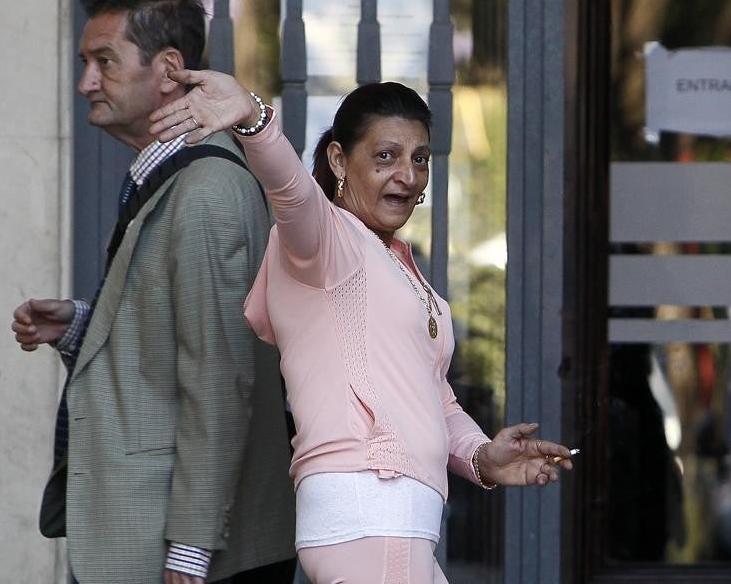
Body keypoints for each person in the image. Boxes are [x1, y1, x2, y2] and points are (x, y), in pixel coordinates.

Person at [146, 69, 574, 583]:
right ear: (338, 160)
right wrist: (255, 119)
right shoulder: (327, 242)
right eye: (386, 156)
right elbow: (290, 190)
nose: (408, 175)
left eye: (420, 159)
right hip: (370, 514)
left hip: (393, 527)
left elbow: (435, 398)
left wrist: (483, 458)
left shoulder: (396, 263)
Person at [10, 0, 296, 583]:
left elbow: (221, 377)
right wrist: (83, 325)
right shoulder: (179, 177)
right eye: (85, 62)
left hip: (189, 557)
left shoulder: (205, 192)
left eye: (104, 61)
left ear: (169, 70)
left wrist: (189, 551)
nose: (85, 82)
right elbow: (176, 335)